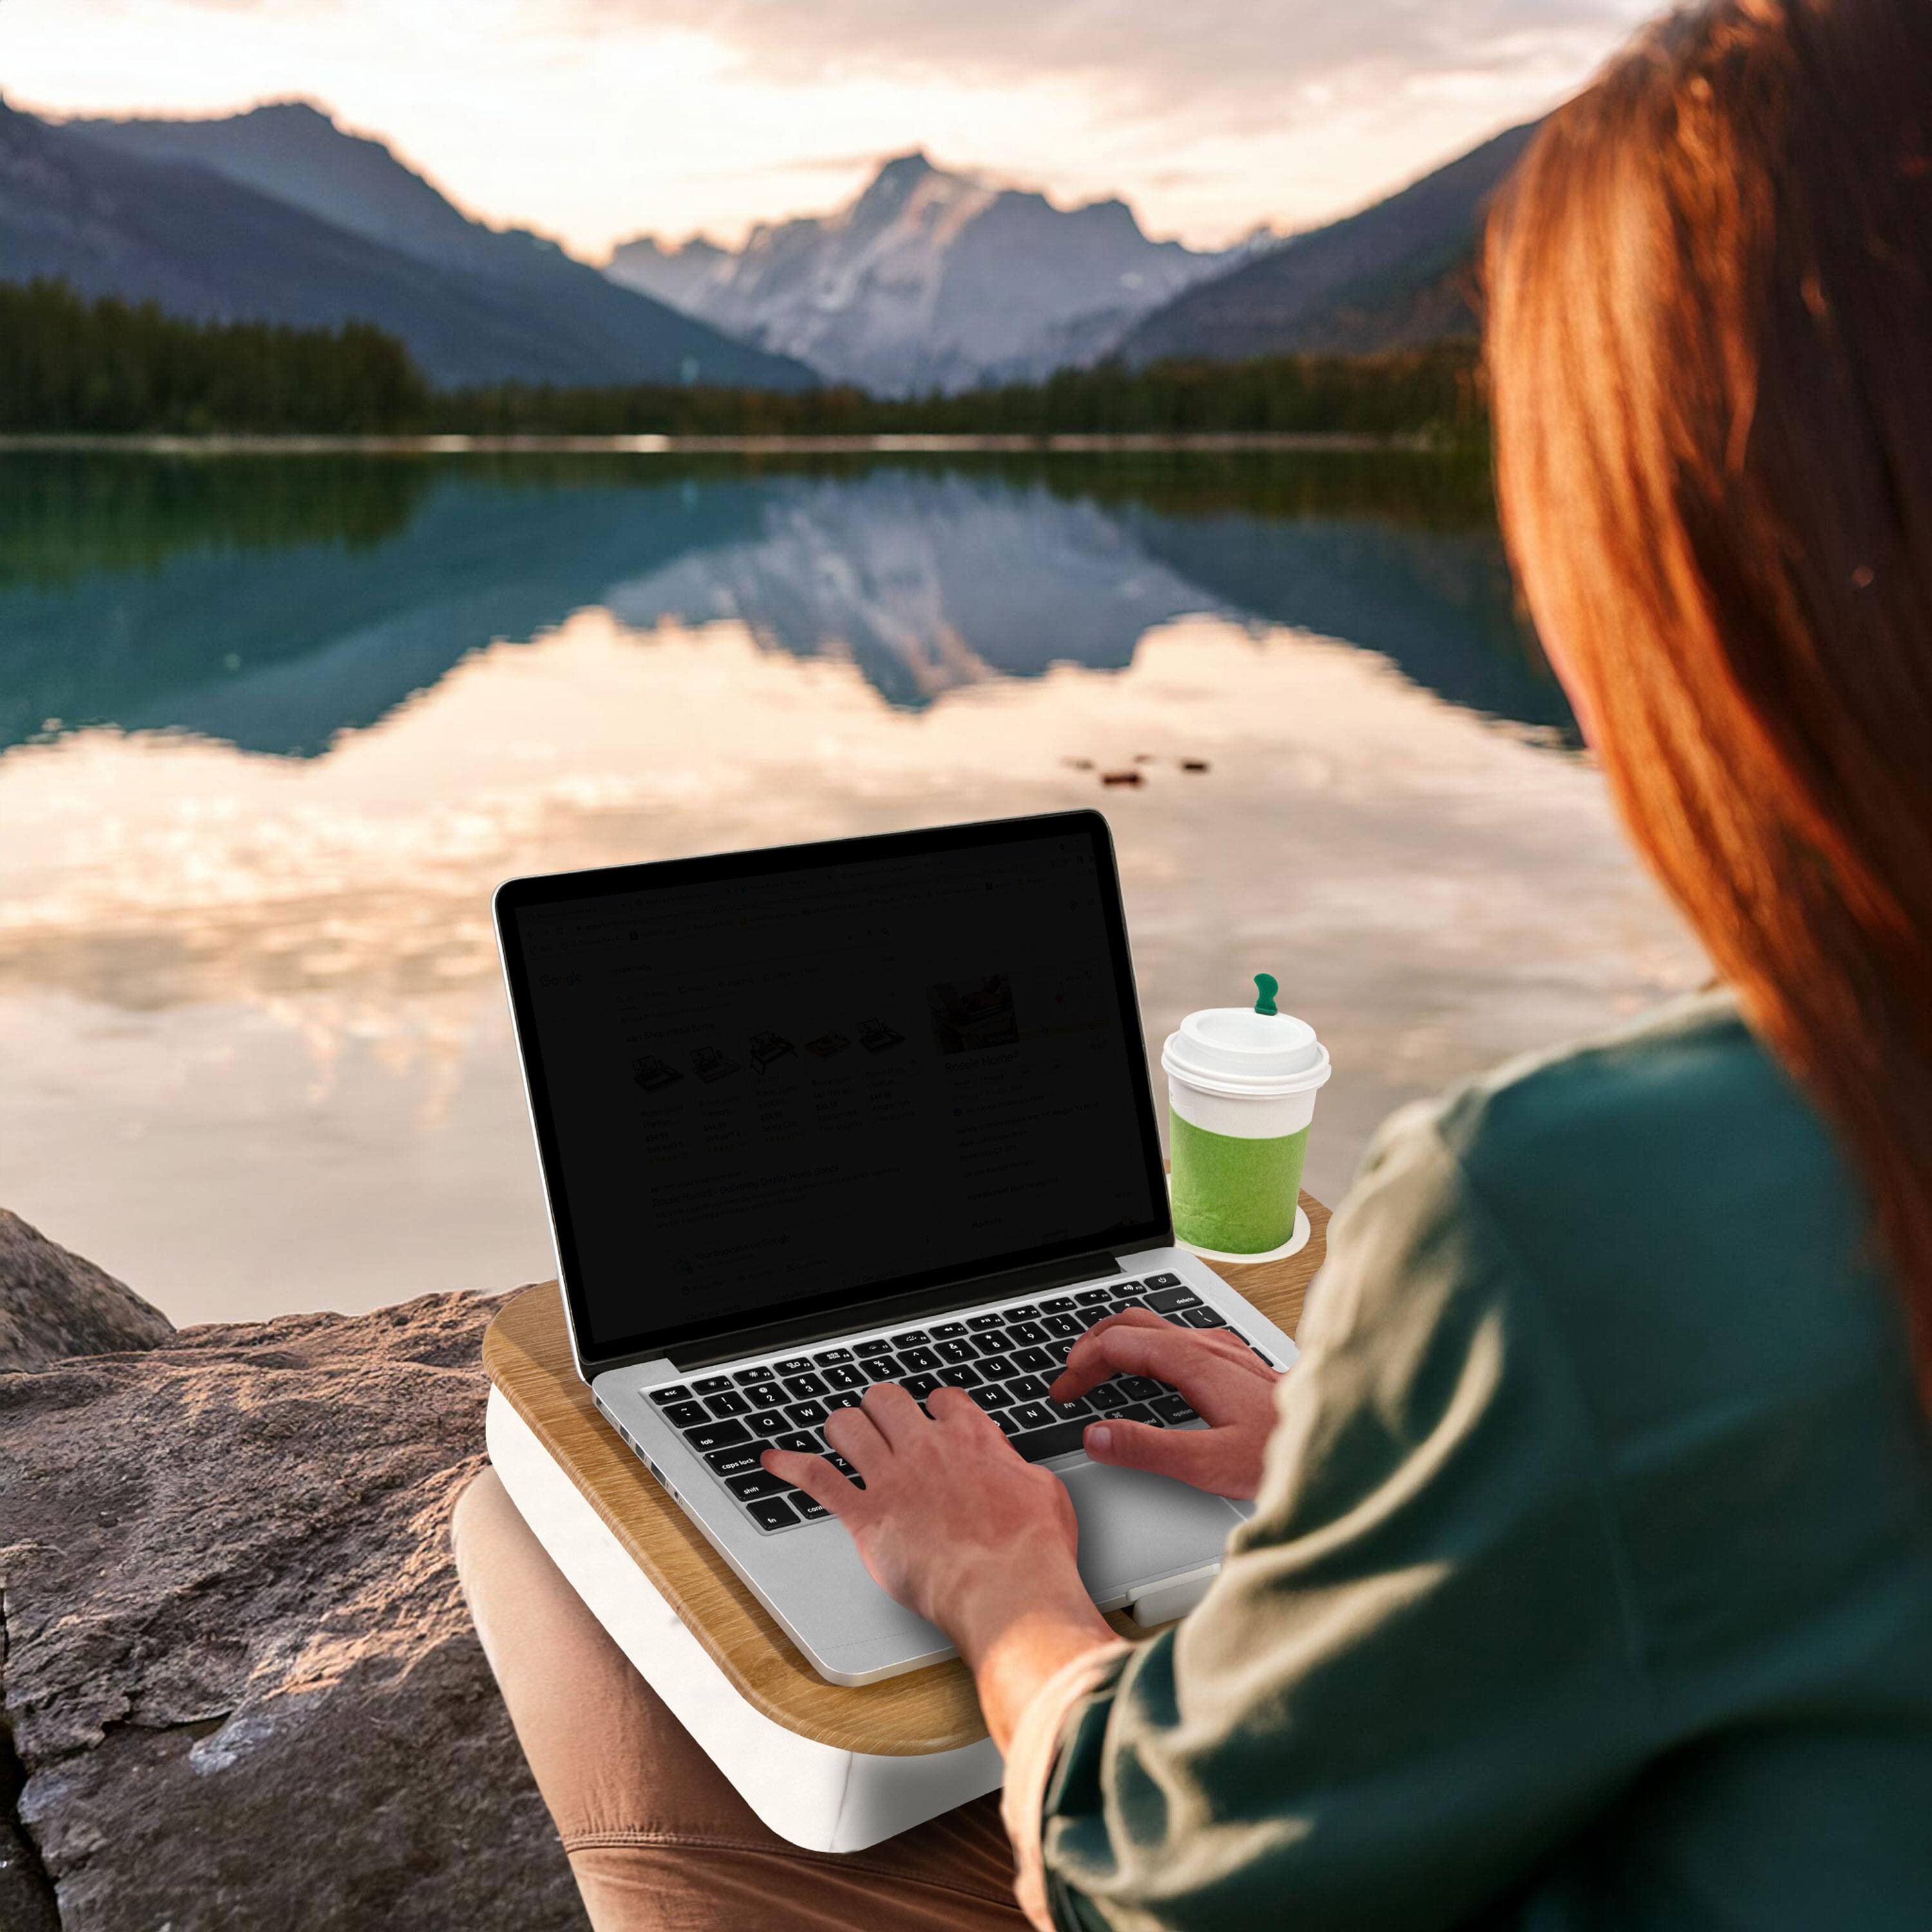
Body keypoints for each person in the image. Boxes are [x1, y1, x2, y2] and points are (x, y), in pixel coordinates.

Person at [452, 0, 1932, 1922]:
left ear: (1681, 559)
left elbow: (1147, 1882)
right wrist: (1377, 1465)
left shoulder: (1574, 1206)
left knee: (528, 1543)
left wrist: (1008, 1586)